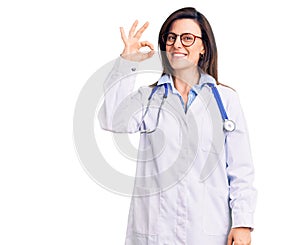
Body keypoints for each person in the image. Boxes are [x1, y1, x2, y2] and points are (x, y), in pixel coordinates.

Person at [98, 7, 257, 245]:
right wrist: (127, 63)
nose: (177, 45)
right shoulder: (149, 98)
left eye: (187, 38)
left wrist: (242, 223)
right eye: (171, 38)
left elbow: (240, 169)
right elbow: (111, 119)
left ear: (204, 47)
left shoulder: (225, 100)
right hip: (155, 232)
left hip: (208, 232)